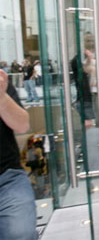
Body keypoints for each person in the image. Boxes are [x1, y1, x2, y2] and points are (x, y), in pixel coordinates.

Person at [0, 69, 37, 240]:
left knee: (20, 233)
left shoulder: (2, 85)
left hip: (7, 177)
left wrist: (1, 97)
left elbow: (22, 125)